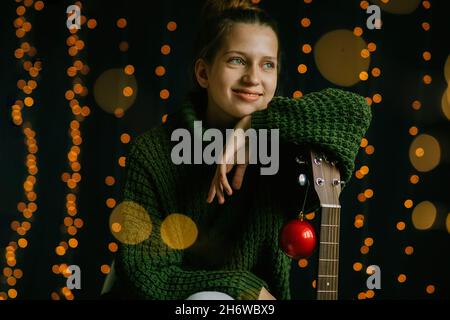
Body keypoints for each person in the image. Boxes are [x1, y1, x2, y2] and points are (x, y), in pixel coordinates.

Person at [107, 0, 372, 300]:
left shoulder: (284, 142)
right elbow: (147, 275)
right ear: (204, 73)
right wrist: (242, 289)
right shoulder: (153, 152)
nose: (253, 78)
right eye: (237, 60)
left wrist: (252, 125)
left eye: (267, 64)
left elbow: (355, 111)